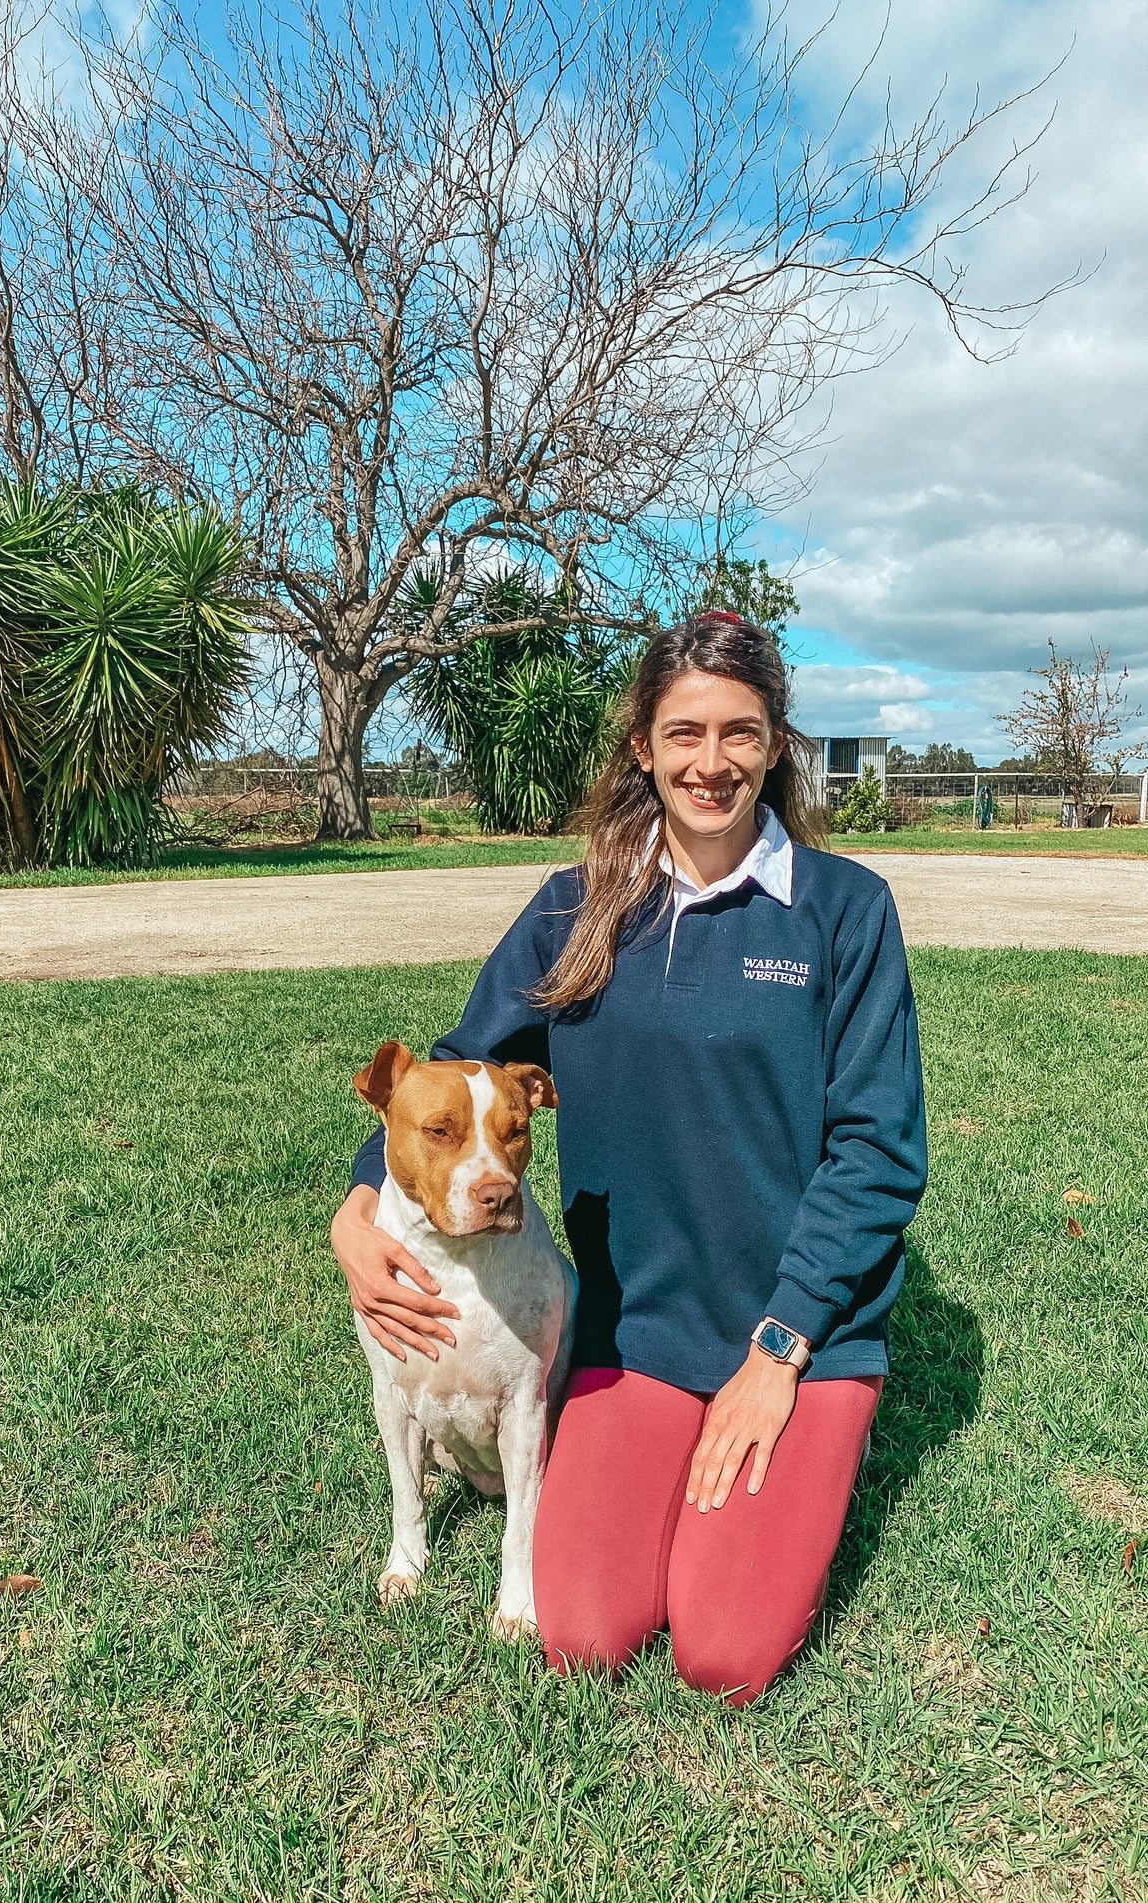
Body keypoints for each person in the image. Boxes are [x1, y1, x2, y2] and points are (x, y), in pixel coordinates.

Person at [331, 612, 928, 1704]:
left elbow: (878, 1151)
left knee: (721, 1652)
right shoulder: (576, 907)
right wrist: (353, 1206)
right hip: (638, 1331)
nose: (710, 763)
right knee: (585, 1630)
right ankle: (669, 1459)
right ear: (641, 748)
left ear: (776, 742)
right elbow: (455, 1069)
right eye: (682, 732)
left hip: (797, 1337)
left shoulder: (843, 912)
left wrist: (777, 1353)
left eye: (738, 732)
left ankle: (779, 1456)